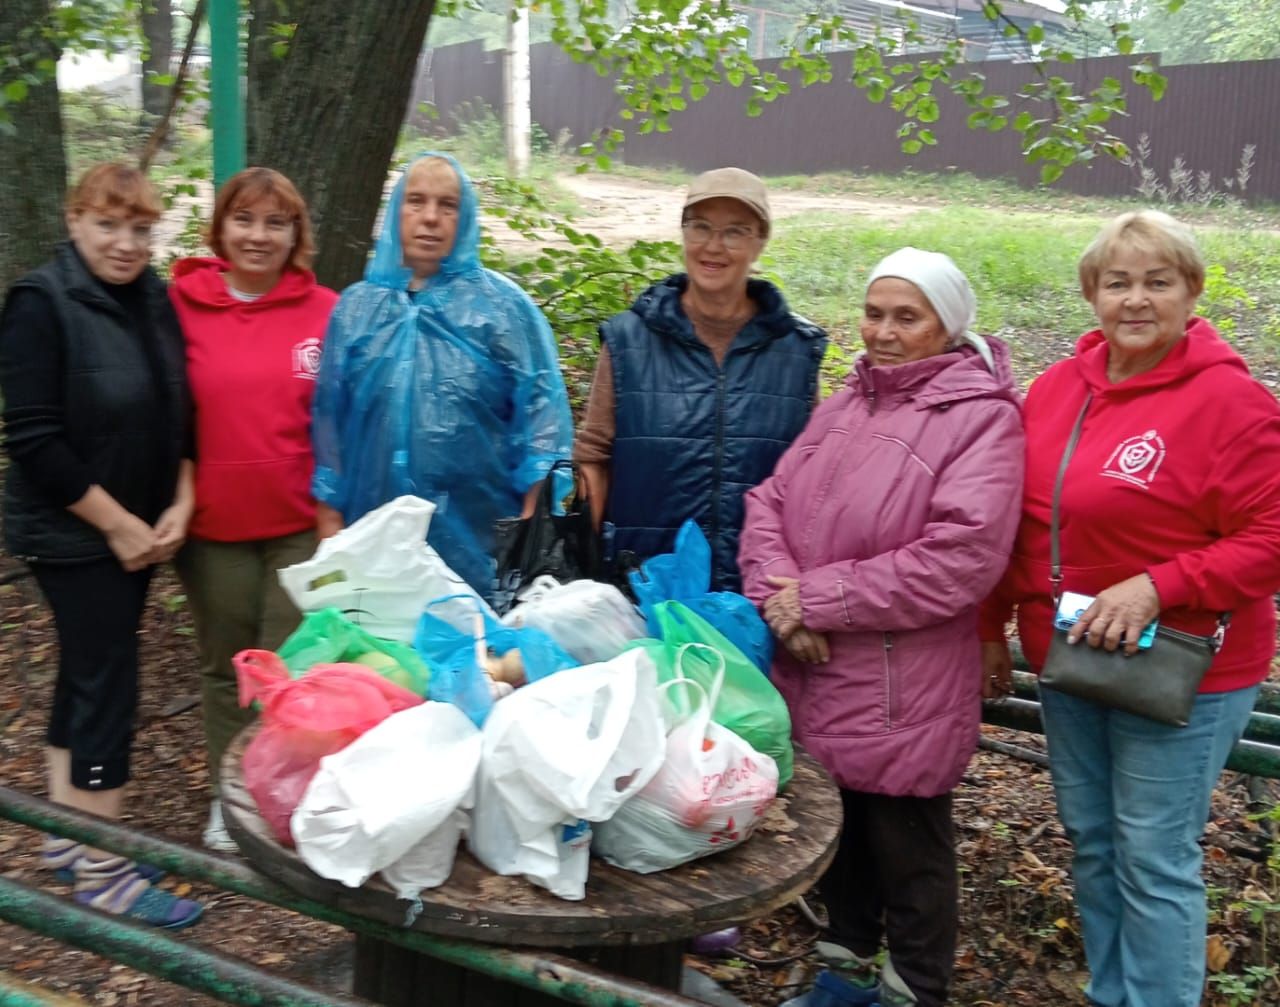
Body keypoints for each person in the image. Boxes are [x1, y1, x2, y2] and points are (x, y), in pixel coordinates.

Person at [979, 210, 1280, 1007]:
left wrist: (1160, 582)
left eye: (1158, 281)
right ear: (1091, 294)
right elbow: (1020, 520)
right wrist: (990, 623)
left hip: (1184, 667)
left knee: (1153, 853)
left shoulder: (1230, 402)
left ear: (1193, 292)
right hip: (1073, 656)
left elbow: (1272, 536)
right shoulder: (1054, 390)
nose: (1136, 300)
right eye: (1118, 282)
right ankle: (1116, 992)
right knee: (1096, 841)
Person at [739, 248, 1024, 1007]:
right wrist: (780, 597)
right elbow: (768, 501)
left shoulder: (980, 419)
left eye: (907, 316)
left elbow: (961, 557)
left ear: (946, 325)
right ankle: (845, 970)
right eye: (874, 313)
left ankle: (915, 988)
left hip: (905, 687)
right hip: (819, 666)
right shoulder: (847, 403)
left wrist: (819, 599)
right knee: (839, 836)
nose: (884, 332)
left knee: (908, 849)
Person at [0, 163, 202, 928]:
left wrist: (180, 498)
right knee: (106, 695)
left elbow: (178, 406)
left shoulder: (150, 297)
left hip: (142, 527)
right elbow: (35, 440)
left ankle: (66, 832)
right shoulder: (40, 303)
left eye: (142, 230)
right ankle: (103, 871)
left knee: (87, 677)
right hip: (77, 533)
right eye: (109, 225)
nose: (126, 244)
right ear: (74, 218)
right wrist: (117, 523)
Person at [168, 167, 338, 852]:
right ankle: (227, 797)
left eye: (276, 222)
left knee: (289, 667)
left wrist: (334, 512)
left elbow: (341, 418)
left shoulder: (325, 309)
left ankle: (283, 792)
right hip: (211, 529)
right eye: (244, 220)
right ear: (221, 229)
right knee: (226, 669)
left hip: (299, 524)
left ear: (297, 233)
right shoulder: (178, 303)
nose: (258, 235)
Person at [311, 152, 572, 593]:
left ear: (464, 217)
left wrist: (529, 536)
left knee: (473, 657)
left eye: (447, 205)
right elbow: (330, 424)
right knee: (385, 658)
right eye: (416, 202)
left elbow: (541, 425)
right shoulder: (356, 310)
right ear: (396, 212)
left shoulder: (503, 310)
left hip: (480, 546)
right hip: (371, 542)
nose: (430, 218)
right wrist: (330, 523)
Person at [574, 167, 827, 592]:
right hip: (644, 587)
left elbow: (816, 479)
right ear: (683, 233)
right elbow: (593, 458)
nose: (713, 246)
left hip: (756, 595)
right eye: (700, 228)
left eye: (735, 232)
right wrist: (587, 567)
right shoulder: (628, 341)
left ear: (760, 241)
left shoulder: (796, 352)